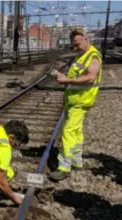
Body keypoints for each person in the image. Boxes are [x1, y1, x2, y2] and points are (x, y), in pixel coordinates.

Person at [49, 28, 102, 181]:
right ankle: (77, 161)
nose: (76, 47)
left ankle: (64, 167)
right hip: (74, 100)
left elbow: (90, 77)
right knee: (76, 132)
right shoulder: (81, 56)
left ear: (86, 38)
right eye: (74, 44)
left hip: (81, 100)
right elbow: (76, 77)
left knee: (68, 132)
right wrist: (63, 78)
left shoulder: (93, 56)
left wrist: (66, 80)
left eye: (77, 43)